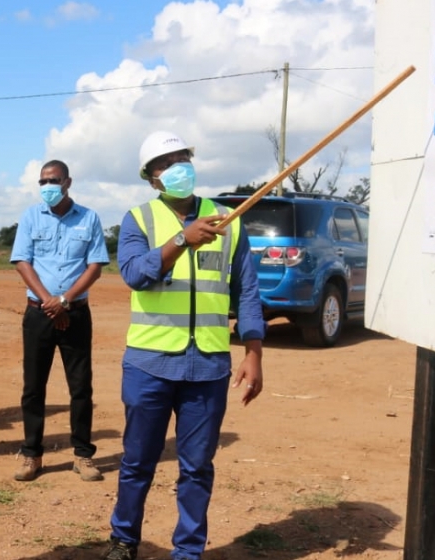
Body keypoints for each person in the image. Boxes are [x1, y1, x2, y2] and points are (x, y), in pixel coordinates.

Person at [102, 131, 265, 560]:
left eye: (183, 157)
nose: (178, 167)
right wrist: (180, 240)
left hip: (209, 367)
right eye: (166, 162)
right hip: (149, 364)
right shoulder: (138, 219)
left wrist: (253, 353)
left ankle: (188, 552)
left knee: (197, 468)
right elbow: (135, 274)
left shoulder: (230, 219)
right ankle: (123, 540)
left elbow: (246, 291)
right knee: (137, 462)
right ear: (152, 178)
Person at [8, 160, 110, 482]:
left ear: (67, 182)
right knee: (33, 386)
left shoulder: (89, 218)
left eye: (52, 180)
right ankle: (31, 454)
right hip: (39, 313)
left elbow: (94, 266)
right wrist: (50, 303)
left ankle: (82, 455)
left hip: (75, 313)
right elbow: (22, 262)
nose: (47, 186)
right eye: (42, 182)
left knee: (80, 387)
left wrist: (64, 301)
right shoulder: (30, 216)